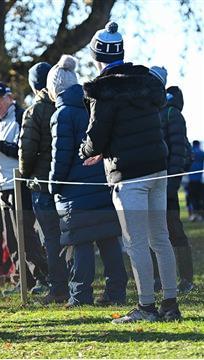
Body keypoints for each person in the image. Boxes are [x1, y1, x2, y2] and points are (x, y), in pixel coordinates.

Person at [79, 22, 181, 322]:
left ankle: (147, 307)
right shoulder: (148, 82)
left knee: (135, 242)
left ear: (97, 56)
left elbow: (97, 135)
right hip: (157, 167)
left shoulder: (103, 90)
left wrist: (87, 150)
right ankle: (171, 305)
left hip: (129, 173)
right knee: (160, 238)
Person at [48, 55, 127, 307]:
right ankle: (116, 292)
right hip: (101, 182)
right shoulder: (92, 103)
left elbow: (60, 155)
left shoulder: (62, 114)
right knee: (108, 237)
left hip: (75, 188)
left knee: (80, 241)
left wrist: (53, 185)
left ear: (54, 89)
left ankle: (80, 294)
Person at [0, 81, 49, 295]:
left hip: (20, 183)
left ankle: (44, 278)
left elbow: (24, 152)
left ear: (10, 98)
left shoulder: (21, 117)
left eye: (0, 98)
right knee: (11, 239)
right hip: (1, 184)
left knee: (25, 235)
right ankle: (24, 280)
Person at [19, 61, 70, 303]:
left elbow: (26, 150)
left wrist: (25, 174)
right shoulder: (71, 104)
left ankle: (59, 288)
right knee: (69, 234)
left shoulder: (35, 110)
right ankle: (74, 282)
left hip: (41, 182)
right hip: (68, 179)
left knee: (50, 237)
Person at [148, 67, 195, 294]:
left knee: (174, 230)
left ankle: (186, 279)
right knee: (151, 232)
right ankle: (156, 279)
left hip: (167, 184)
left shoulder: (171, 114)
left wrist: (172, 184)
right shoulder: (149, 111)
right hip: (151, 182)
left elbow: (179, 152)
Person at [187, 140, 204, 221]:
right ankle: (200, 216)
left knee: (191, 198)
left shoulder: (189, 153)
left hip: (190, 180)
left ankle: (193, 215)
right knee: (200, 198)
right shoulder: (202, 153)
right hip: (200, 180)